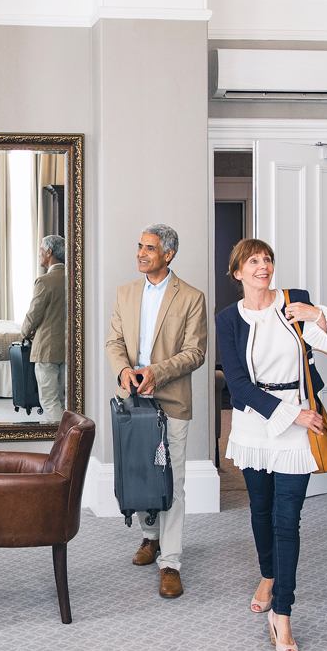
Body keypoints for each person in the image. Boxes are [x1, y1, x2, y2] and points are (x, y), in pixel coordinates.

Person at [214, 238, 327, 651]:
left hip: (297, 424)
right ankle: (267, 575)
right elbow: (236, 386)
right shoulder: (227, 320)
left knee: (288, 520)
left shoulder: (295, 303)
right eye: (253, 261)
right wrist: (292, 415)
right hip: (255, 424)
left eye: (267, 259)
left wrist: (316, 314)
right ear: (237, 273)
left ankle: (283, 614)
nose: (263, 266)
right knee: (260, 511)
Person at [105, 224, 208, 599]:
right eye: (140, 246)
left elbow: (196, 353)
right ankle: (150, 537)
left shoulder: (192, 297)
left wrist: (156, 373)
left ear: (168, 254)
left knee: (172, 482)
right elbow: (114, 341)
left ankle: (172, 561)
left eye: (149, 248)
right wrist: (123, 370)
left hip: (172, 398)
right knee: (141, 471)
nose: (140, 253)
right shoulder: (125, 293)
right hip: (132, 397)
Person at [21, 234, 68, 422]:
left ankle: (60, 442)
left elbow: (34, 314)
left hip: (46, 348)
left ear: (49, 252)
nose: (39, 254)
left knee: (49, 400)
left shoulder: (45, 281)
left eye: (41, 250)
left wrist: (23, 333)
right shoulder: (73, 279)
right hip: (67, 348)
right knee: (63, 399)